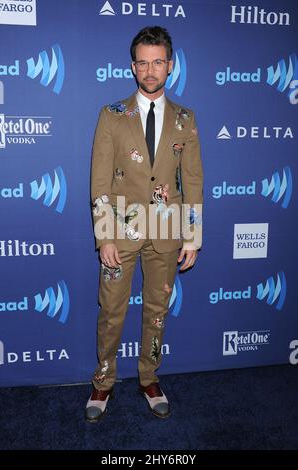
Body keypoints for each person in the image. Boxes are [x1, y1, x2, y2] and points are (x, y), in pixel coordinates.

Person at [86, 26, 203, 423]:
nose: (150, 70)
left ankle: (149, 377)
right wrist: (104, 234)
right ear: (133, 67)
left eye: (158, 62)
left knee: (156, 310)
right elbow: (100, 181)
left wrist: (193, 235)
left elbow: (194, 180)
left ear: (170, 66)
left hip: (168, 230)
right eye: (143, 62)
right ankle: (102, 382)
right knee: (112, 310)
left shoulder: (186, 119)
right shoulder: (112, 115)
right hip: (121, 228)